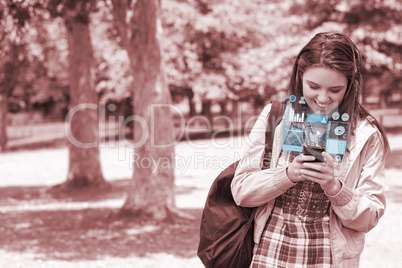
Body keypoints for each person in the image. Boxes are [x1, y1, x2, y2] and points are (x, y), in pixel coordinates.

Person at [231, 32, 389, 267]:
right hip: (269, 255)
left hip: (327, 259)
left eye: (335, 90)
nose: (323, 98)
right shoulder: (276, 116)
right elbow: (241, 191)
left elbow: (370, 217)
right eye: (313, 86)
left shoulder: (366, 135)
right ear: (300, 76)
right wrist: (286, 176)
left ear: (350, 84)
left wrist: (335, 188)